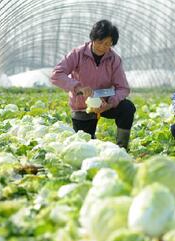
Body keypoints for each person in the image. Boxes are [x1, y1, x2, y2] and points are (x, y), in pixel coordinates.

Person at [50, 19, 135, 148]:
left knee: (127, 108)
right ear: (93, 39)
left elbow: (123, 88)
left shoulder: (114, 59)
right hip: (82, 106)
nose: (103, 47)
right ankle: (93, 138)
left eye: (108, 44)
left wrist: (110, 103)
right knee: (86, 143)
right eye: (100, 42)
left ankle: (122, 147)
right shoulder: (78, 54)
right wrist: (78, 87)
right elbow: (56, 74)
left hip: (105, 103)